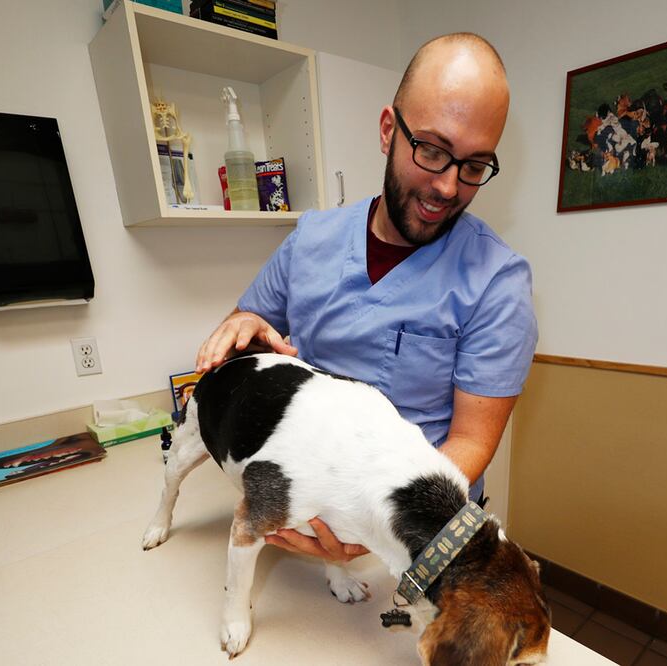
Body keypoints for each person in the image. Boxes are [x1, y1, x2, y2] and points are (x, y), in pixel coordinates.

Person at [194, 33, 538, 563]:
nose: (448, 187)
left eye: (473, 167)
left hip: (409, 535)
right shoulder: (310, 239)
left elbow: (470, 443)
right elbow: (249, 319)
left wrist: (376, 523)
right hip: (295, 511)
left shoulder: (498, 282)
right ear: (387, 131)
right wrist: (240, 327)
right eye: (432, 150)